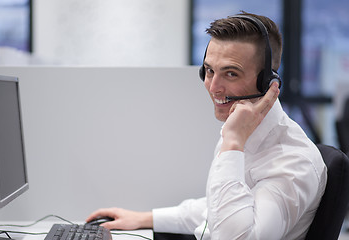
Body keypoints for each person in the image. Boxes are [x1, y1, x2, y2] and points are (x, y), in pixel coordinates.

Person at [86, 12, 327, 240]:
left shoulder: (293, 162)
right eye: (210, 71)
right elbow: (218, 208)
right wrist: (146, 218)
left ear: (268, 83)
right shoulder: (244, 128)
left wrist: (233, 142)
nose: (213, 88)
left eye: (231, 74)